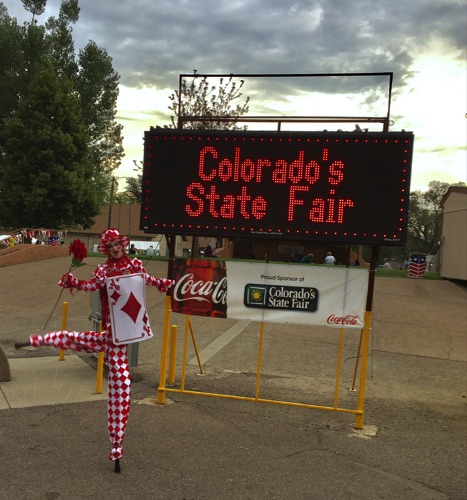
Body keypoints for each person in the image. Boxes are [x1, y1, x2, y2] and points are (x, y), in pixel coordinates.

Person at [15, 228, 174, 472]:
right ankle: (36, 340)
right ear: (106, 250)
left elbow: (149, 281)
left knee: (120, 385)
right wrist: (73, 281)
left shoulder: (136, 265)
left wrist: (167, 284)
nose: (114, 249)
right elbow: (89, 286)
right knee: (82, 347)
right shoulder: (103, 270)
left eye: (116, 244)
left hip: (119, 339)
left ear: (122, 244)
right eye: (109, 246)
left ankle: (116, 446)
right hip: (110, 337)